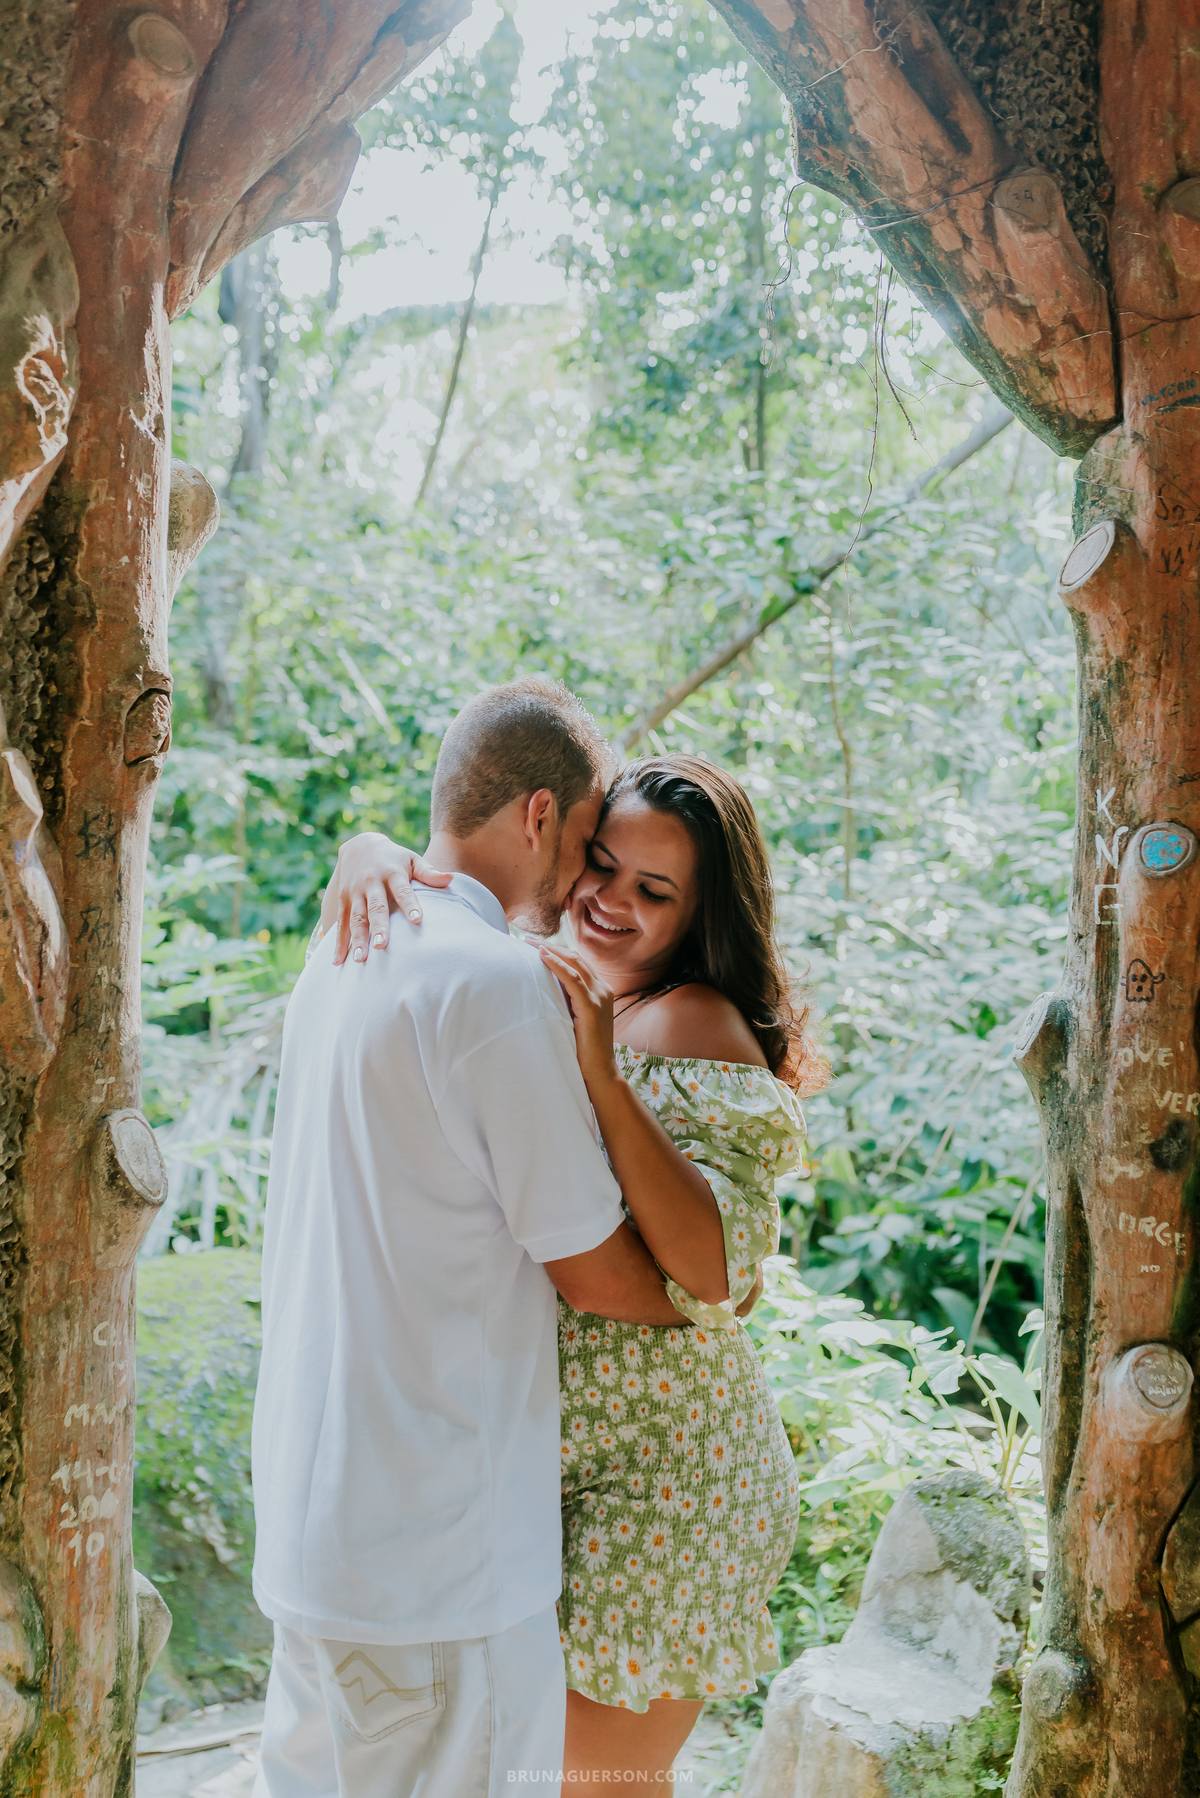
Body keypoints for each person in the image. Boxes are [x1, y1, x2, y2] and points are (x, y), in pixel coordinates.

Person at [327, 753, 819, 1783]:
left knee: (601, 1783)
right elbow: (462, 871)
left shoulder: (688, 1020)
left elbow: (717, 1270)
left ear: (699, 914)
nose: (608, 900)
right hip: (572, 1471)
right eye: (601, 864)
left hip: (672, 1479)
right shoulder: (539, 972)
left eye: (654, 890)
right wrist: (368, 851)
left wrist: (599, 1071)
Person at [250, 678, 696, 1798]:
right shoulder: (493, 984)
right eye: (591, 841)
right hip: (437, 1565)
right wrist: (704, 1289)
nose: (588, 880)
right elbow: (599, 1272)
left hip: (317, 1537)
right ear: (540, 814)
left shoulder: (340, 953)